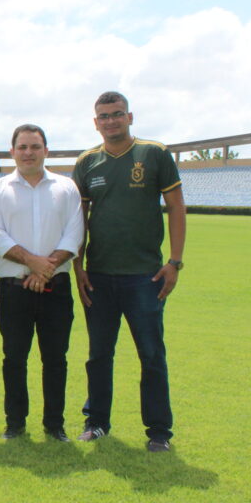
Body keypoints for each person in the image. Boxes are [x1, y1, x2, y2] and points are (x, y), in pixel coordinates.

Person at [72, 91, 186, 452]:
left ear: (130, 117)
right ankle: (96, 423)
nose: (111, 121)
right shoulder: (88, 162)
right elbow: (79, 220)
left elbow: (176, 207)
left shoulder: (154, 153)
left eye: (117, 114)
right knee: (98, 355)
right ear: (96, 123)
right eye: (104, 116)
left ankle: (158, 432)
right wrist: (78, 267)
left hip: (145, 277)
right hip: (99, 275)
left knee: (151, 355)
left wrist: (175, 261)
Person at [0, 124, 83, 441]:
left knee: (55, 359)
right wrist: (34, 263)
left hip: (56, 287)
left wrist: (44, 269)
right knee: (14, 358)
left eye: (35, 146)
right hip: (14, 289)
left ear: (46, 151)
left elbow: (75, 234)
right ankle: (15, 424)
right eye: (23, 147)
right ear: (12, 151)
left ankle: (54, 425)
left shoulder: (66, 187)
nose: (29, 153)